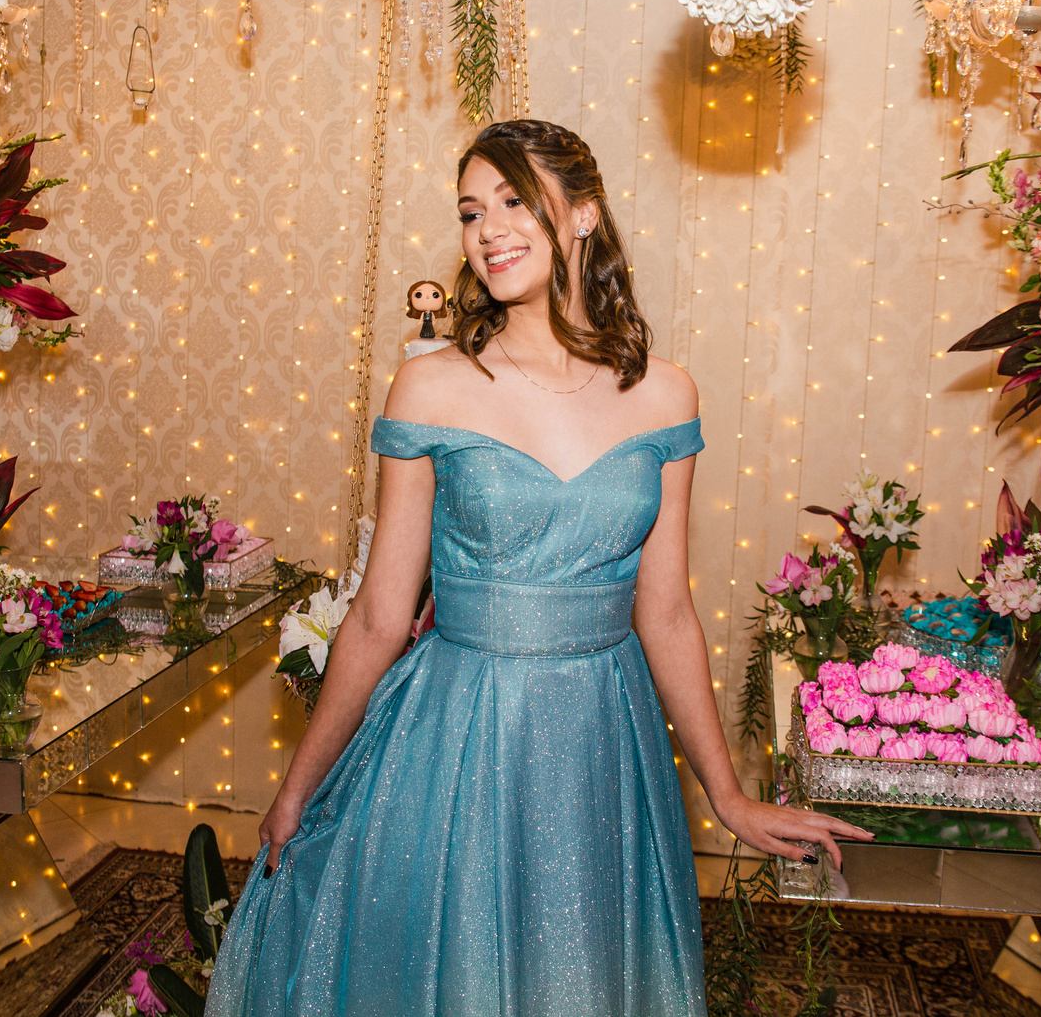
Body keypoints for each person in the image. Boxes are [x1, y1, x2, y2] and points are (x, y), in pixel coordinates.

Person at [204, 119, 871, 1017]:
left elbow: (665, 610)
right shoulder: (432, 386)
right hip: (455, 737)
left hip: (605, 739)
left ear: (584, 215)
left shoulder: (666, 394)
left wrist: (730, 795)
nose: (489, 229)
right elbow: (377, 616)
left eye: (516, 201)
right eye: (473, 211)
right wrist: (297, 791)